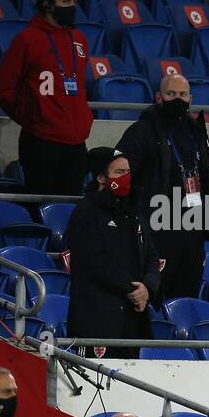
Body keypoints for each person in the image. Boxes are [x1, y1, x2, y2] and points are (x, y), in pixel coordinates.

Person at [115, 74, 209, 301]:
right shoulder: (142, 131)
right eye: (171, 94)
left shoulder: (195, 130)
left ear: (190, 98)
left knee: (187, 294)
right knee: (156, 294)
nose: (177, 99)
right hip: (156, 228)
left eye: (182, 95)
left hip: (191, 227)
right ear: (158, 97)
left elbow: (205, 175)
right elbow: (119, 170)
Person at [65, 148, 162, 360]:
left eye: (128, 171)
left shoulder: (134, 210)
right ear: (101, 177)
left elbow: (151, 255)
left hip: (132, 319)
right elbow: (95, 262)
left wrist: (147, 287)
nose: (126, 177)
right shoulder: (86, 212)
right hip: (97, 320)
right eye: (119, 172)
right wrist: (131, 290)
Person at [0, 0, 93, 195]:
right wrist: (32, 117)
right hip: (41, 142)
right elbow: (4, 89)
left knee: (69, 208)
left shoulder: (79, 39)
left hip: (76, 141)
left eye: (73, 1)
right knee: (41, 206)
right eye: (65, 1)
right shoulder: (27, 40)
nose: (71, 7)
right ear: (47, 5)